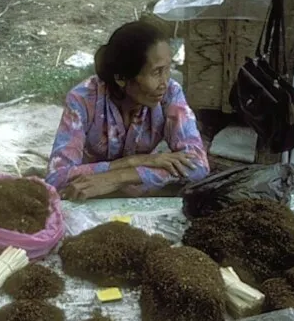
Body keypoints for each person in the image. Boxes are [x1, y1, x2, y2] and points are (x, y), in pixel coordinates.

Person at [45, 18, 209, 201]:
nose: (165, 82)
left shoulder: (170, 93)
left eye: (167, 70)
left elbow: (198, 165)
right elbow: (57, 178)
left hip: (119, 187)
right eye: (156, 72)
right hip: (86, 194)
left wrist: (118, 177)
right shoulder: (83, 100)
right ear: (121, 78)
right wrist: (137, 161)